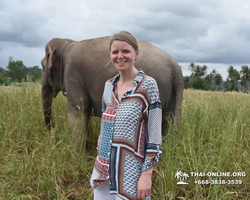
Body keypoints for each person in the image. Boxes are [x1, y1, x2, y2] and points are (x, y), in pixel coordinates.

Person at [90, 30, 162, 200]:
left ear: (136, 53)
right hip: (103, 171)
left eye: (126, 51)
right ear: (110, 55)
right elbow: (104, 125)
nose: (120, 56)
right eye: (115, 52)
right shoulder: (108, 86)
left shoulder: (148, 85)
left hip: (132, 173)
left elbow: (155, 137)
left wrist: (146, 175)